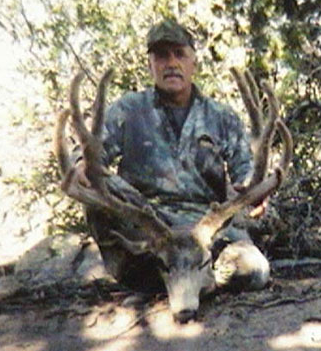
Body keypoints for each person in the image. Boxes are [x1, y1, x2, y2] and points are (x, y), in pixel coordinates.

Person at [76, 19, 270, 293]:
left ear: (194, 63)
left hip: (207, 229)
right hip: (148, 228)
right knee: (100, 185)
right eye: (161, 56)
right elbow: (87, 155)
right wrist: (82, 166)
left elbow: (245, 169)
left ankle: (181, 277)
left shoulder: (221, 116)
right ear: (150, 65)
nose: (171, 63)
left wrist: (255, 190)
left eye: (179, 54)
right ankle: (182, 275)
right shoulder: (128, 110)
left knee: (253, 271)